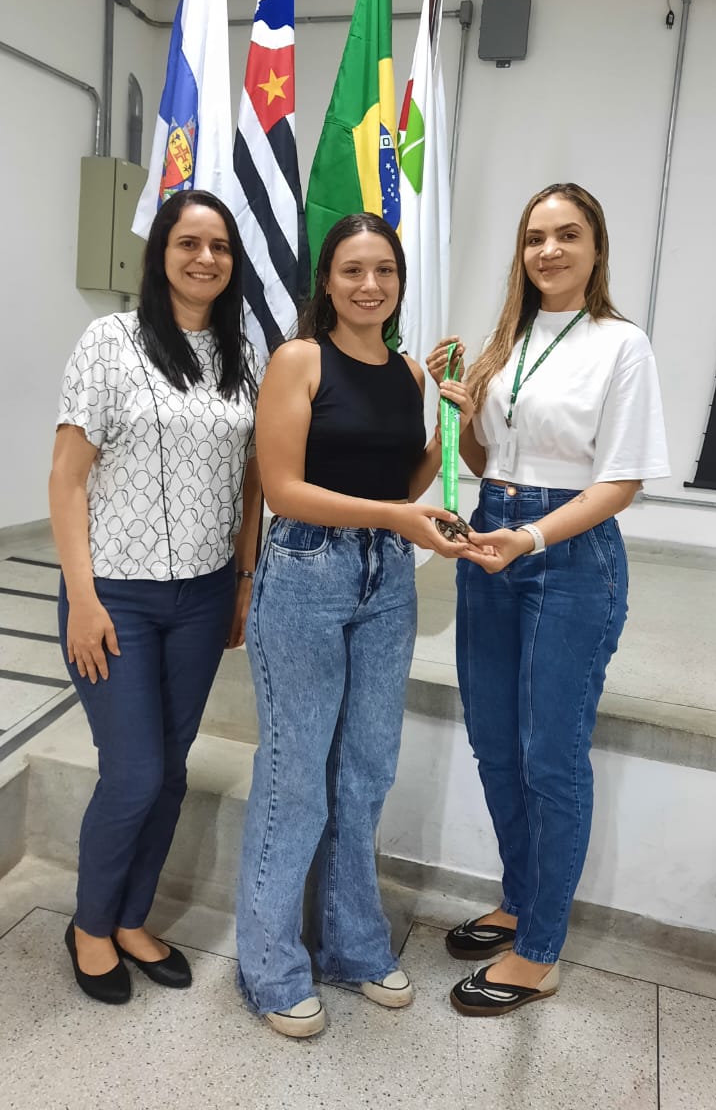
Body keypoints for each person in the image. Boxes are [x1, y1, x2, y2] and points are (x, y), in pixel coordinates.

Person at [426, 182, 669, 1018]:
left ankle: (541, 949)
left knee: (549, 756)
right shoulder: (511, 337)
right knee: (496, 744)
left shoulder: (621, 344)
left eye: (568, 236)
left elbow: (622, 482)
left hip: (564, 556)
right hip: (490, 536)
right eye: (536, 238)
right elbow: (485, 451)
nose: (550, 251)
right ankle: (521, 899)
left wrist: (530, 538)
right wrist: (463, 407)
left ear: (596, 248)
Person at [235, 212, 473, 1038]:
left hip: (386, 578)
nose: (369, 285)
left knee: (366, 771)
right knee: (296, 776)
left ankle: (353, 945)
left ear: (398, 283)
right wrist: (395, 517)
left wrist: (447, 423)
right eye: (352, 271)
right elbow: (283, 487)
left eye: (384, 271)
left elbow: (406, 482)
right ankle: (269, 966)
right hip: (305, 570)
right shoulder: (299, 360)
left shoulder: (409, 371)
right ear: (326, 283)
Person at [50, 189, 261, 1005]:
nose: (205, 258)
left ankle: (135, 917)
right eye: (189, 243)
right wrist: (84, 598)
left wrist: (242, 580)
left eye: (220, 247)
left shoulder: (243, 352)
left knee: (170, 772)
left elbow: (250, 484)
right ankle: (92, 924)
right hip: (116, 599)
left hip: (204, 599)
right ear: (161, 252)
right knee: (134, 773)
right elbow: (66, 480)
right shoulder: (109, 342)